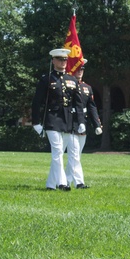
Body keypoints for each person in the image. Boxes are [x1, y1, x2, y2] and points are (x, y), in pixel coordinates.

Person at [31, 47, 79, 191]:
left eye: (65, 59)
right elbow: (37, 102)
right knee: (57, 151)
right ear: (53, 61)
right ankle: (62, 182)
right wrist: (36, 123)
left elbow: (76, 103)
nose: (63, 62)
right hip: (52, 118)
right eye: (59, 59)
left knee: (59, 153)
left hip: (67, 120)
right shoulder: (46, 79)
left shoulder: (71, 79)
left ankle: (50, 184)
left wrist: (79, 122)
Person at [70, 58, 102, 189]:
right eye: (77, 69)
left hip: (83, 122)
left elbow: (92, 107)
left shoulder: (87, 88)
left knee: (76, 155)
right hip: (70, 122)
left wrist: (97, 125)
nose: (80, 71)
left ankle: (65, 181)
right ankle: (79, 182)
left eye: (82, 69)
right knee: (75, 154)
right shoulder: (68, 86)